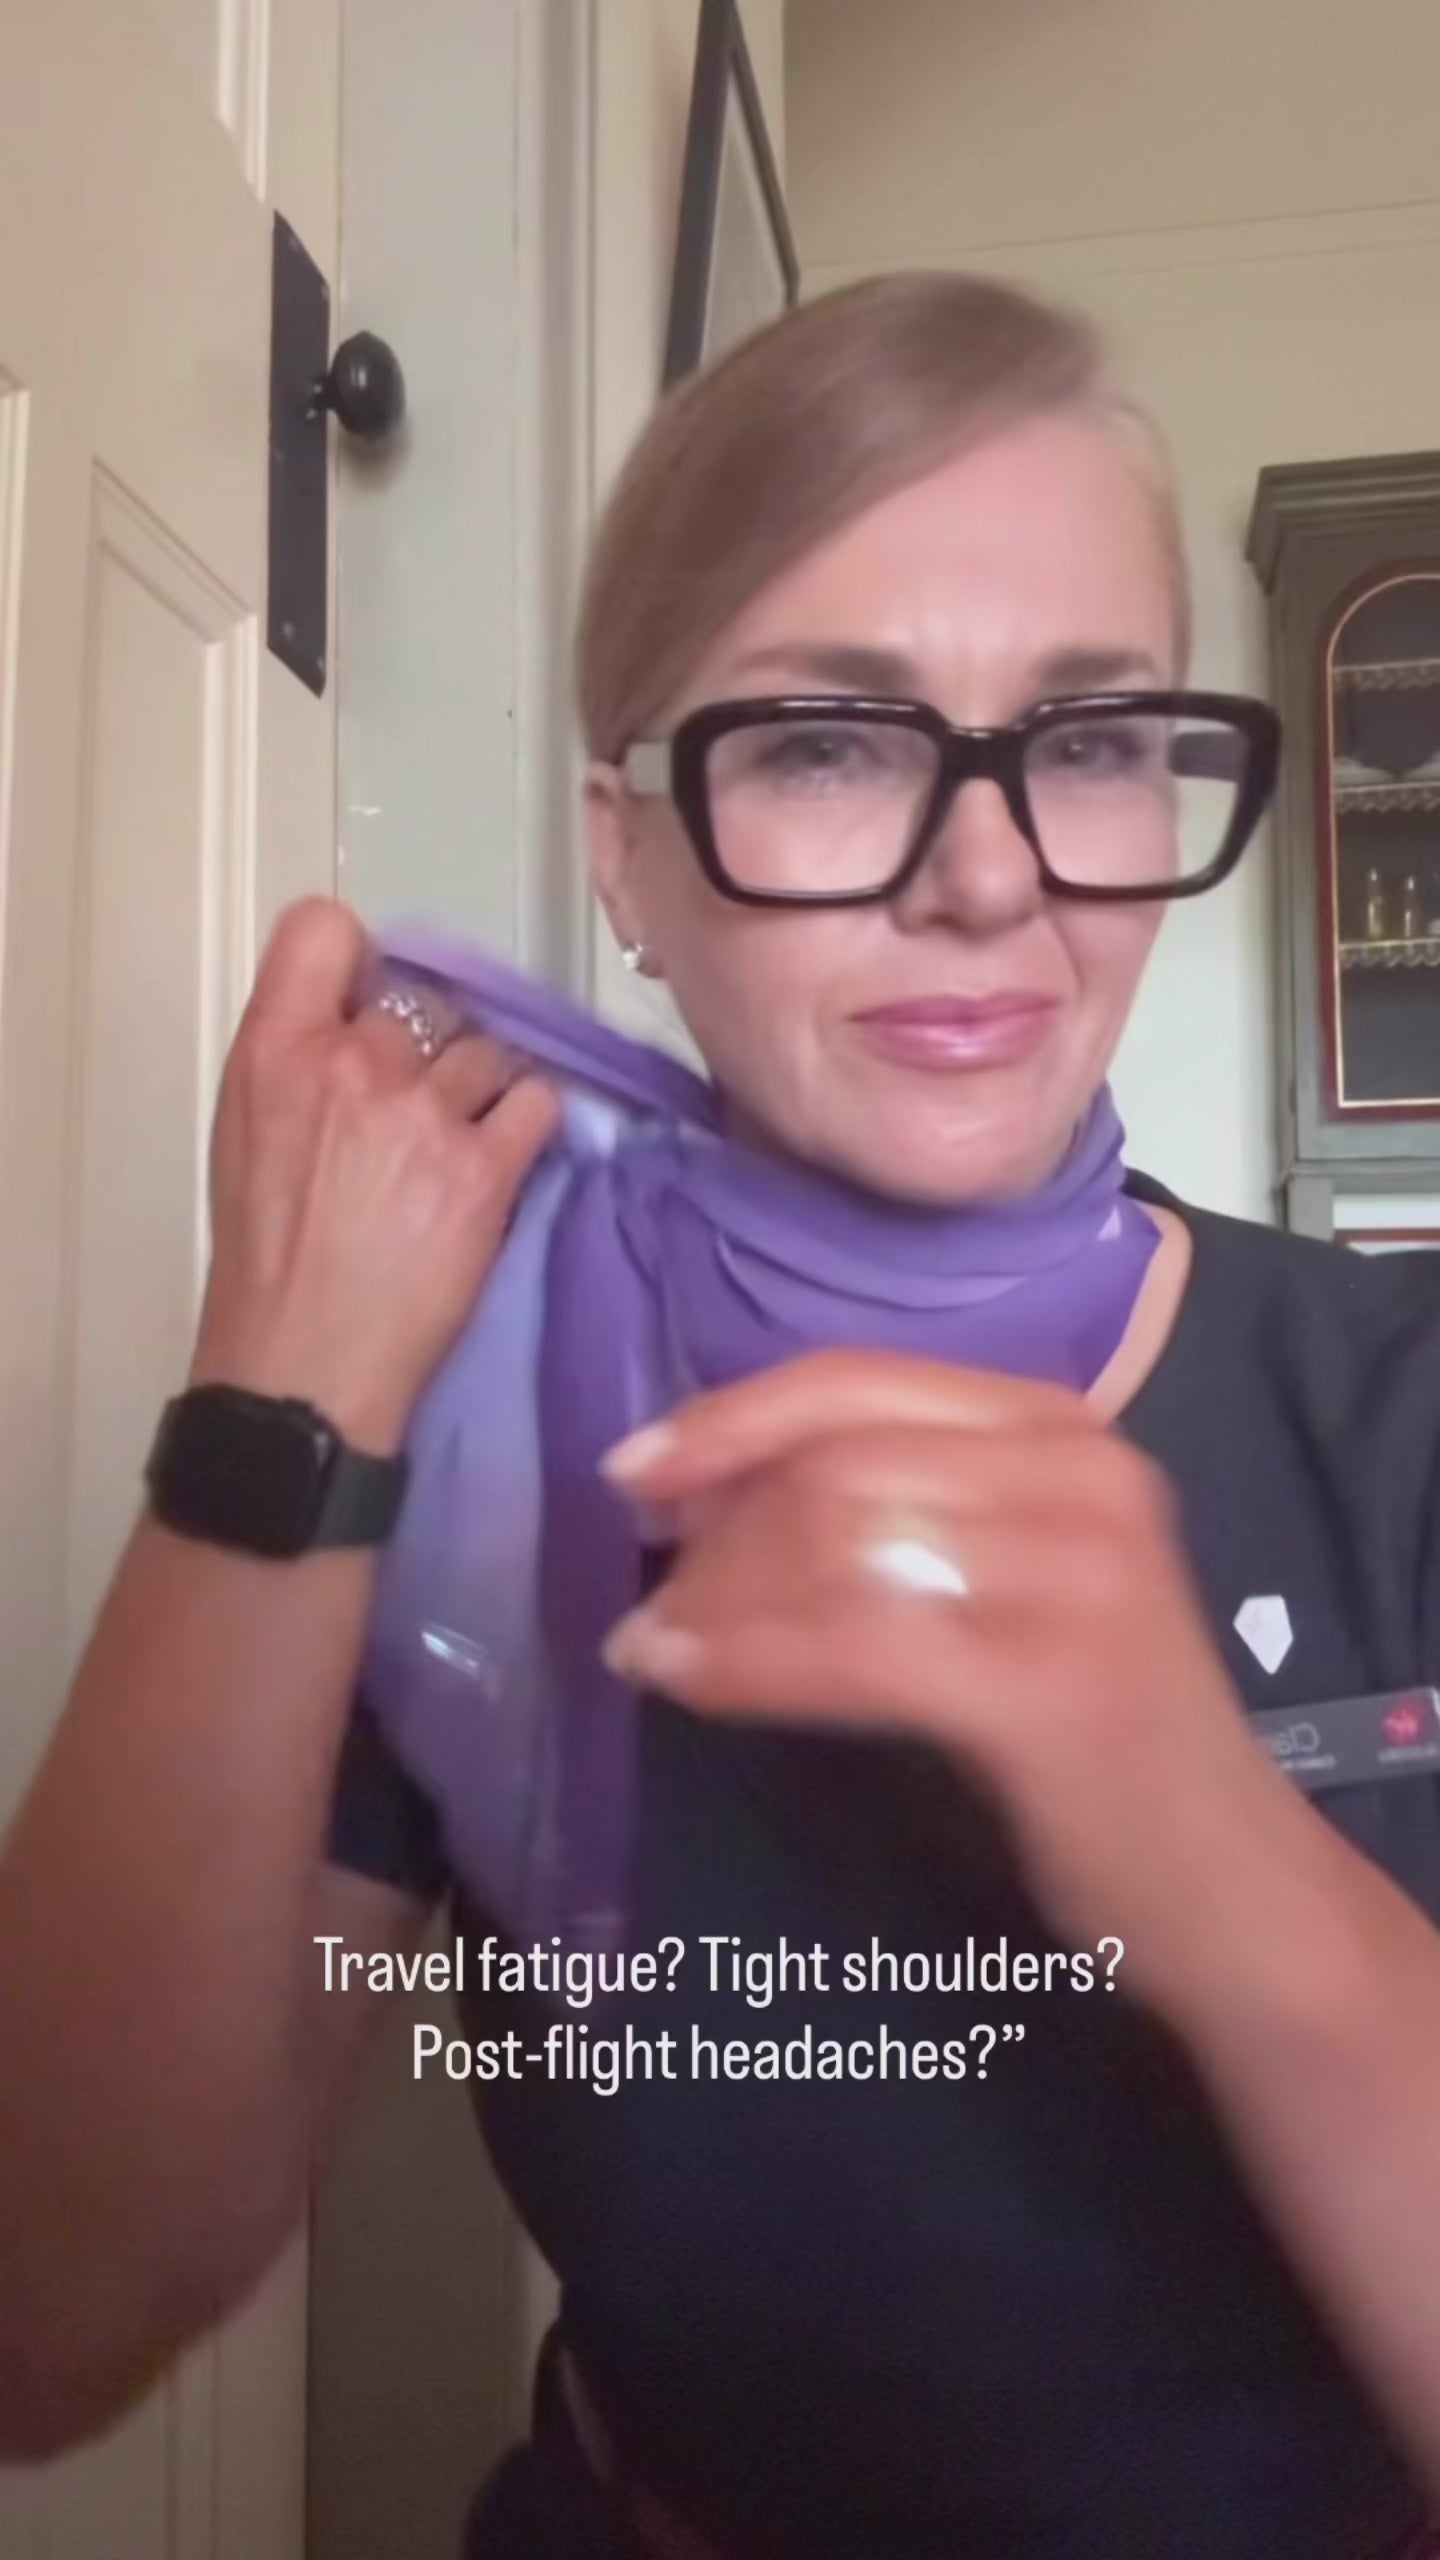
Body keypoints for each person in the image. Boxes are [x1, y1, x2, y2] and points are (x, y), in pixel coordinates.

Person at [3, 273, 1440, 2560]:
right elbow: (49, 2317)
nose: (992, 877)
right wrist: (280, 1391)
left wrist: (1211, 1847)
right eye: (829, 744)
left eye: (1089, 738)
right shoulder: (468, 1436)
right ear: (630, 853)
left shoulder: (1399, 1404)